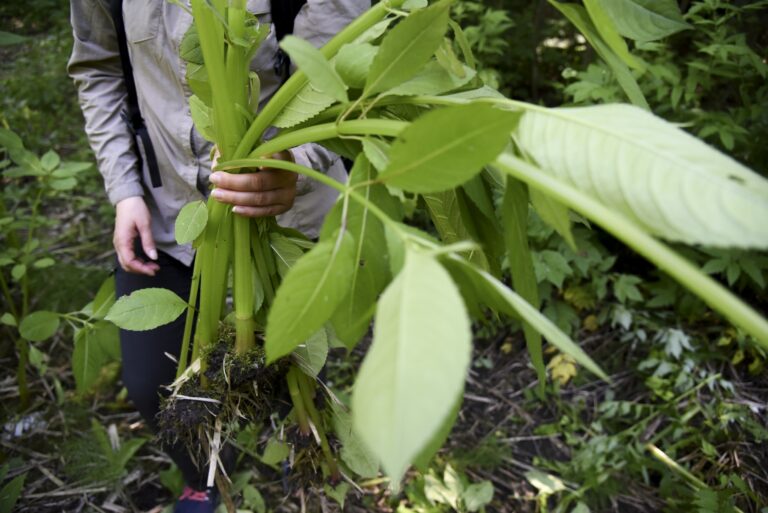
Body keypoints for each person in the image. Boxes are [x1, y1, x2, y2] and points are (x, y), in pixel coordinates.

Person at [67, 0, 369, 511]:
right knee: (151, 384)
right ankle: (202, 479)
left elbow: (347, 80)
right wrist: (125, 190)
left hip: (288, 218)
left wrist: (299, 161)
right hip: (168, 211)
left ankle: (302, 460)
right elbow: (99, 66)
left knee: (294, 364)